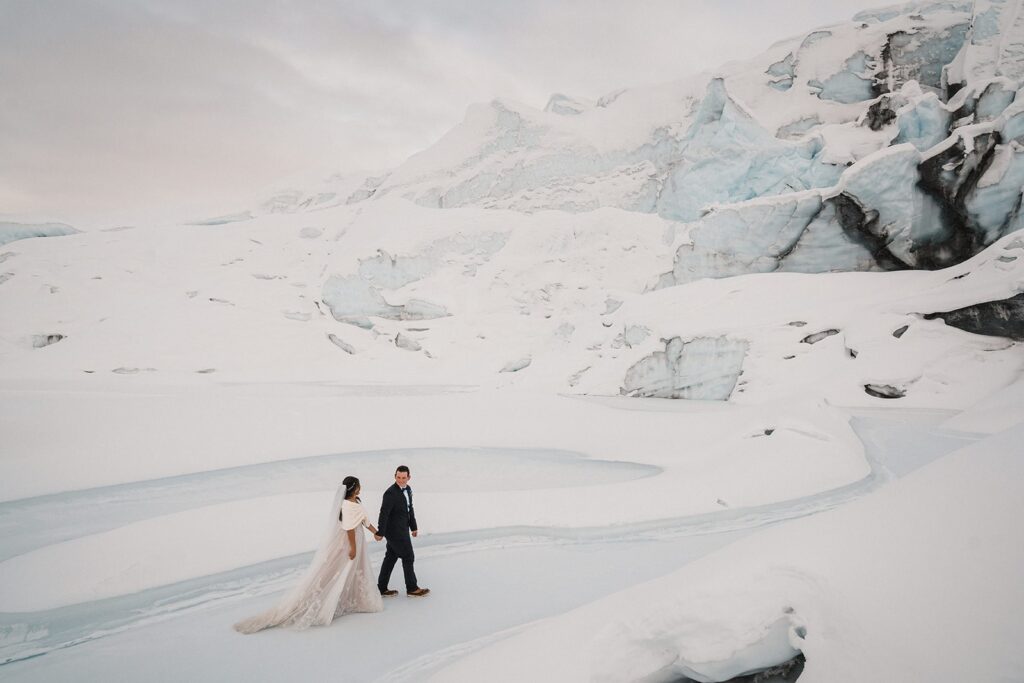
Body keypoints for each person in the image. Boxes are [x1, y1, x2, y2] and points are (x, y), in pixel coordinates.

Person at [233, 476, 383, 633]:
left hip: (358, 539)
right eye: (359, 485)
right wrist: (353, 547)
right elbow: (349, 528)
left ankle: (354, 597)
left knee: (355, 569)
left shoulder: (355, 502)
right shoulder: (347, 506)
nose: (360, 487)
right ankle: (336, 599)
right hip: (350, 541)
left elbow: (363, 520)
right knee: (342, 570)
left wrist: (375, 532)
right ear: (354, 488)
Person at [375, 465, 429, 597]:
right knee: (408, 556)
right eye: (398, 477)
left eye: (403, 478)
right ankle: (412, 588)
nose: (401, 480)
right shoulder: (390, 493)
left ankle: (381, 588)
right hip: (394, 532)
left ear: (408, 478)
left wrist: (413, 526)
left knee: (391, 557)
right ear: (395, 476)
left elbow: (409, 509)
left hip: (403, 529)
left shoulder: (408, 489)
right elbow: (384, 514)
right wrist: (380, 532)